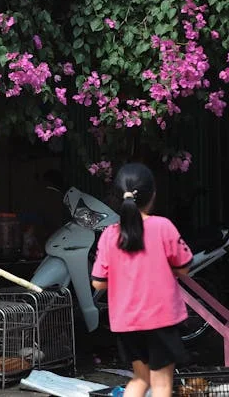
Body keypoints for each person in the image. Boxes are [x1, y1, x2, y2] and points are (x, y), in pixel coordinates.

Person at [90, 163, 193, 397]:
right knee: (161, 384)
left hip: (127, 322)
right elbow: (184, 267)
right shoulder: (163, 227)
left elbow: (98, 282)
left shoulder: (109, 235)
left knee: (140, 379)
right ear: (153, 194)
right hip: (161, 319)